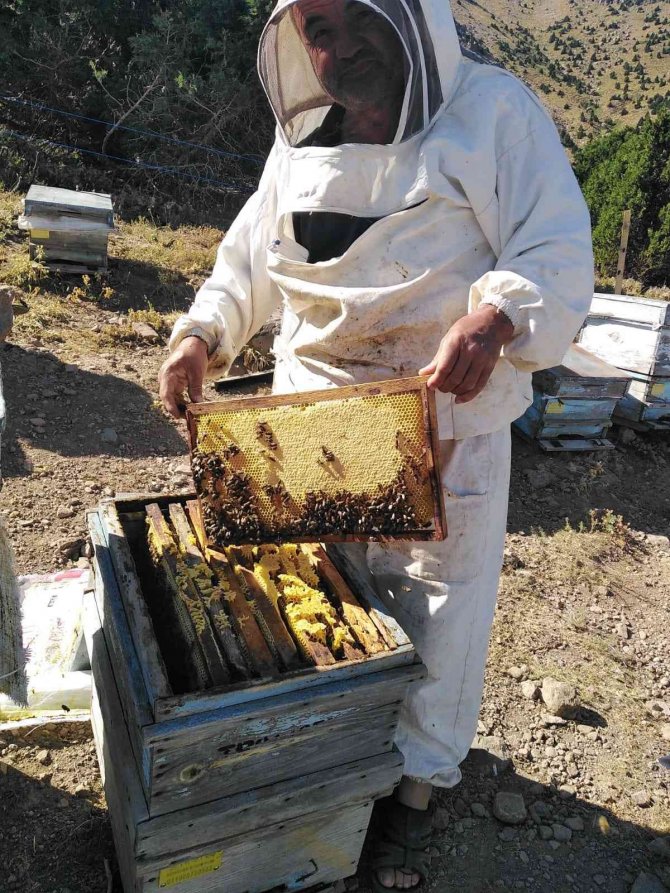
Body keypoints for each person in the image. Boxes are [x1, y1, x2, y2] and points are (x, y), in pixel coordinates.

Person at [159, 0, 594, 888]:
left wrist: (497, 315)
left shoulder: (494, 115)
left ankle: (413, 788)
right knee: (319, 596)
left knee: (436, 611)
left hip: (440, 425)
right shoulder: (303, 140)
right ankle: (322, 753)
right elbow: (250, 255)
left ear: (412, 21)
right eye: (316, 27)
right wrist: (202, 333)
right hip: (308, 423)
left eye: (357, 18)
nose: (336, 46)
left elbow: (556, 246)